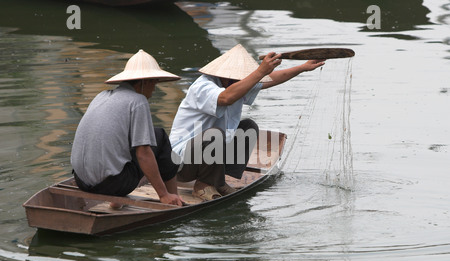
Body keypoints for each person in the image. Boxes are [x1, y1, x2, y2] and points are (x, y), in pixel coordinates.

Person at [169, 44, 325, 201]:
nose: (243, 79)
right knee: (214, 135)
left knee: (248, 127)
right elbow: (225, 98)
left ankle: (219, 180)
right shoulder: (203, 86)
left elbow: (270, 79)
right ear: (225, 75)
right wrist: (260, 72)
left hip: (209, 156)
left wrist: (303, 67)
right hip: (181, 163)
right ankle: (202, 185)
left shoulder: (235, 84)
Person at [71, 49, 183, 208]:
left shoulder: (101, 96)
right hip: (113, 184)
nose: (154, 89)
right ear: (146, 82)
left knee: (133, 140)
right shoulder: (138, 101)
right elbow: (143, 153)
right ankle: (172, 198)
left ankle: (116, 201)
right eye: (155, 83)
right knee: (160, 136)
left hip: (81, 181)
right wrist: (162, 195)